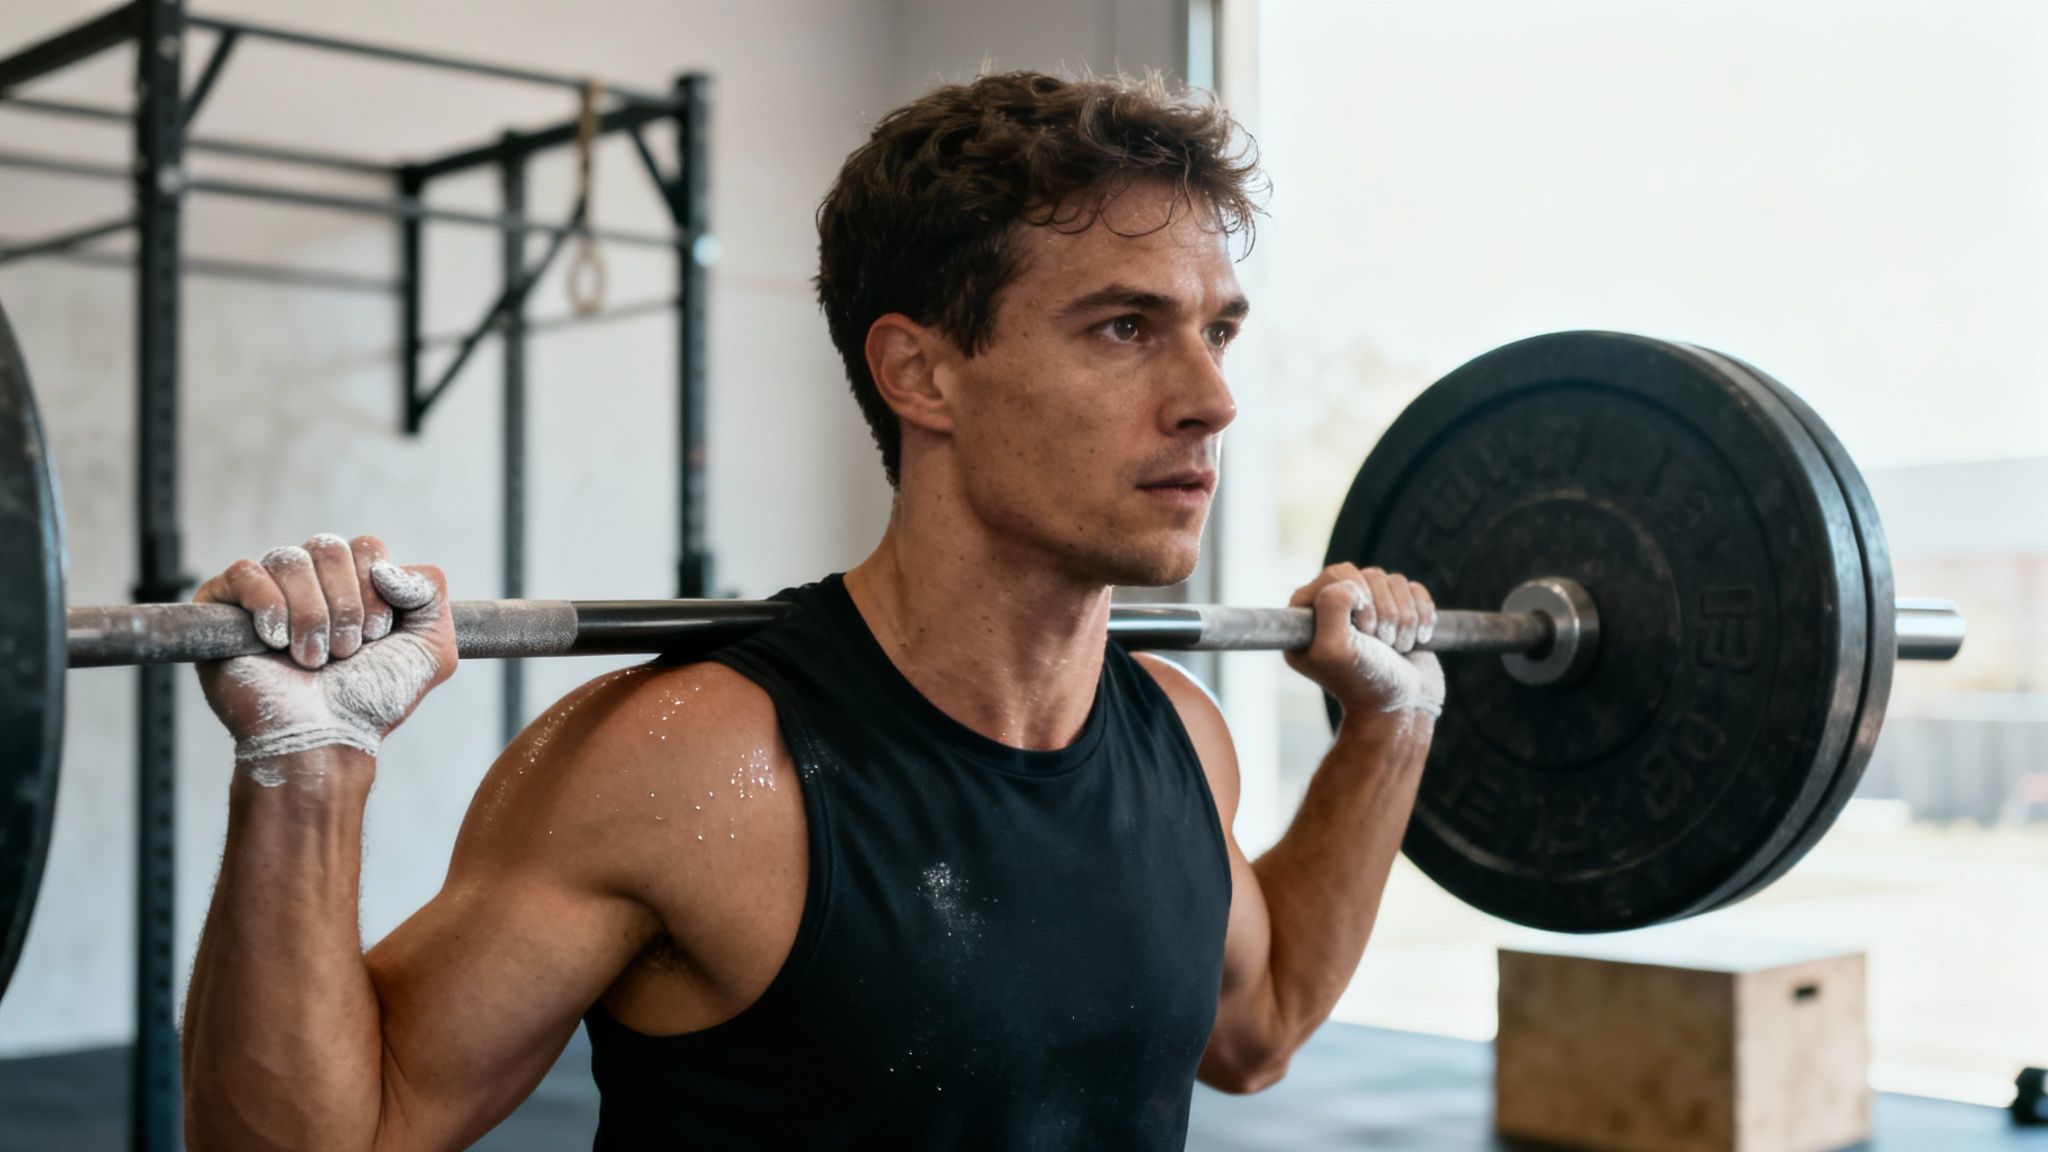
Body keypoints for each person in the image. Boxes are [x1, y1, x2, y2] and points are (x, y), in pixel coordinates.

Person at [179, 71, 1445, 1151]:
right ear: (919, 372)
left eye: (1217, 332)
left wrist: (1387, 730)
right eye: (1124, 328)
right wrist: (307, 766)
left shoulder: (1179, 733)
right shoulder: (685, 765)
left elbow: (1258, 1025)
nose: (1210, 399)